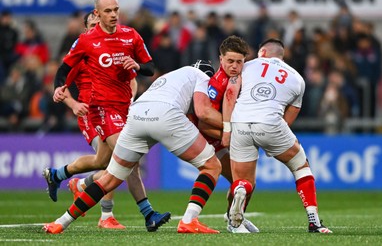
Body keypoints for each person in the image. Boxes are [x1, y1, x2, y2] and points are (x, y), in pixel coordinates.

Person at [43, 60, 223, 234]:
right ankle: (189, 221)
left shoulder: (174, 75)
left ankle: (61, 222)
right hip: (163, 114)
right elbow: (203, 113)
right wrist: (232, 128)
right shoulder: (203, 77)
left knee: (109, 179)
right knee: (211, 166)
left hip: (136, 114)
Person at [44, 0, 170, 231]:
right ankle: (145, 214)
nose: (113, 15)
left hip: (124, 109)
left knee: (103, 161)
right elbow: (64, 69)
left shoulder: (130, 35)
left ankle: (61, 176)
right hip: (101, 109)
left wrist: (137, 66)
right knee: (127, 157)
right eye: (108, 11)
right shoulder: (86, 41)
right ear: (97, 14)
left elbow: (150, 67)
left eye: (116, 10)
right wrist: (61, 90)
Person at [221, 38, 332, 234]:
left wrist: (227, 129)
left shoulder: (246, 66)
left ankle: (235, 217)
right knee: (300, 166)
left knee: (244, 181)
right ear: (282, 55)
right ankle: (314, 222)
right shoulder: (297, 78)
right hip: (271, 123)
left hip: (240, 122)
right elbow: (289, 116)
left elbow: (230, 94)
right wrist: (276, 139)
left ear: (262, 52)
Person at [190, 35, 258, 233]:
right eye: (230, 61)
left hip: (225, 136)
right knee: (242, 181)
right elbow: (204, 122)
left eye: (239, 61)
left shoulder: (241, 78)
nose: (235, 66)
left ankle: (235, 216)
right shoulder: (217, 83)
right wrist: (233, 131)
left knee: (247, 183)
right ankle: (233, 221)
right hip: (212, 139)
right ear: (221, 59)